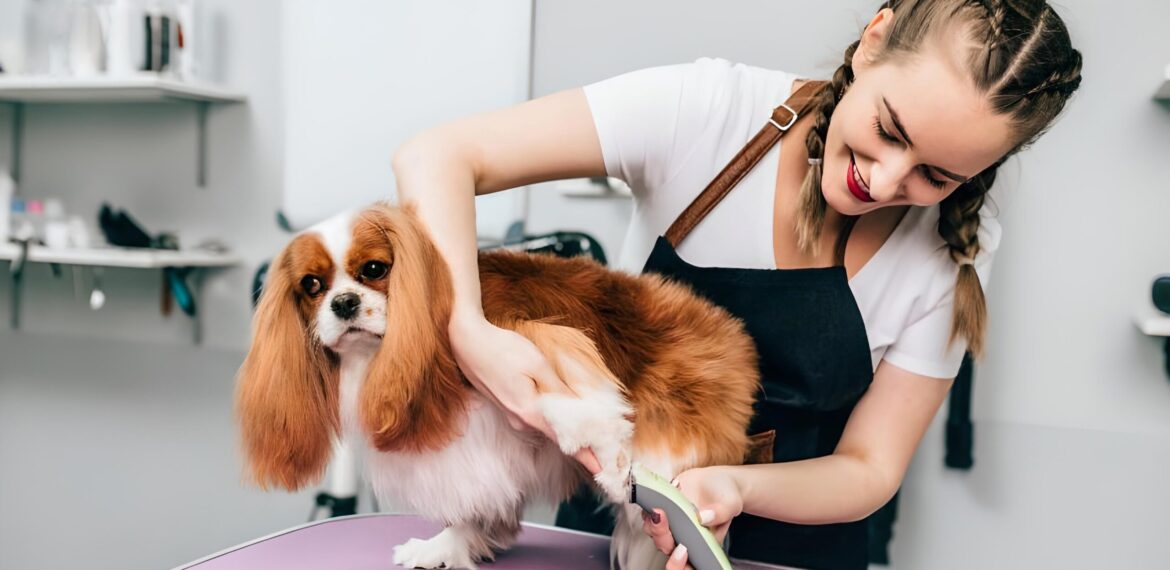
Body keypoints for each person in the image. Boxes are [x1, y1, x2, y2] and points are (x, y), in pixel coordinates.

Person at [391, 0, 1081, 568]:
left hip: (801, 549)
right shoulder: (707, 112)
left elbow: (870, 466)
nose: (886, 181)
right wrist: (473, 338)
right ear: (874, 39)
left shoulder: (961, 242)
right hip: (613, 534)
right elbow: (439, 156)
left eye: (938, 176)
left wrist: (732, 487)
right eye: (888, 129)